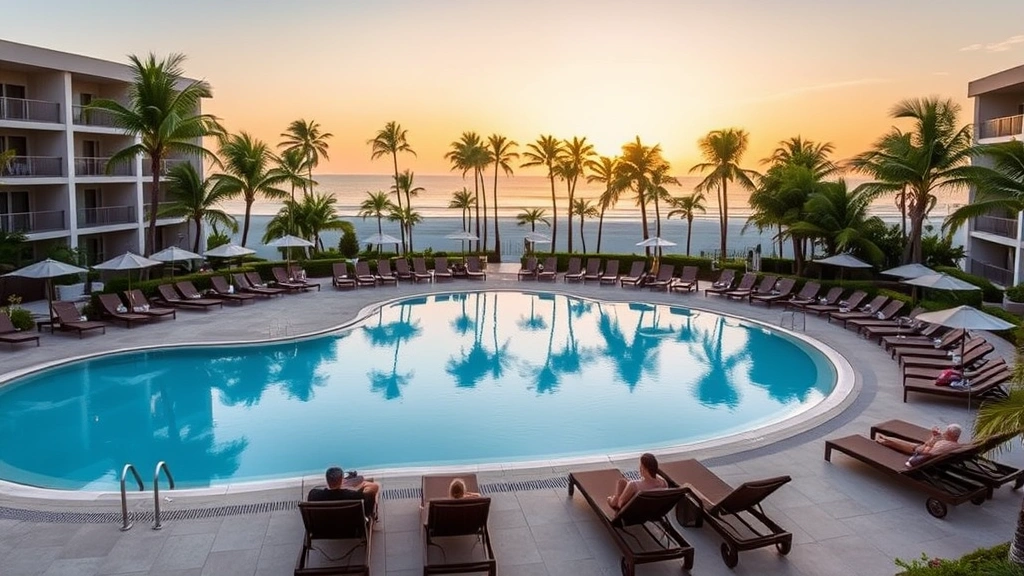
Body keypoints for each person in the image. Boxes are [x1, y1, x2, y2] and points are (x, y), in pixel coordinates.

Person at [307, 466, 381, 519]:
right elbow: (374, 487)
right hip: (353, 530)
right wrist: (363, 484)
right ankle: (373, 515)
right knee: (373, 489)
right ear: (342, 480)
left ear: (327, 480)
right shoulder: (354, 496)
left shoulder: (313, 495)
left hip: (323, 530)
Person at [875, 424, 963, 466]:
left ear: (948, 434)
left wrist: (932, 440)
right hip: (929, 452)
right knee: (909, 444)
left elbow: (925, 453)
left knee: (900, 443)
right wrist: (936, 437)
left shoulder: (942, 443)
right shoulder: (958, 446)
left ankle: (882, 439)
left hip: (918, 452)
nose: (944, 433)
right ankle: (885, 438)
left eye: (945, 432)